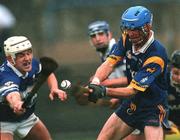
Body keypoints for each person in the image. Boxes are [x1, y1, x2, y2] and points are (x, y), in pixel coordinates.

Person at [84, 6, 169, 140]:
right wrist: (95, 82)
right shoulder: (126, 38)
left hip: (153, 109)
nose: (130, 33)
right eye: (127, 28)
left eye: (134, 29)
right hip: (132, 103)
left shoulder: (156, 56)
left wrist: (103, 91)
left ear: (147, 27)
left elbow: (132, 90)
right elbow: (109, 63)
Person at [0, 36, 67, 140]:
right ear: (10, 58)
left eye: (29, 52)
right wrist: (17, 103)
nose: (27, 58)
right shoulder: (6, 76)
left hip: (27, 118)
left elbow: (48, 73)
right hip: (3, 123)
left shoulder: (33, 64)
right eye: (21, 55)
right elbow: (12, 95)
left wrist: (54, 88)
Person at [165, 50, 180, 136]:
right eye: (176, 73)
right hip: (165, 121)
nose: (179, 78)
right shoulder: (161, 80)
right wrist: (165, 122)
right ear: (170, 68)